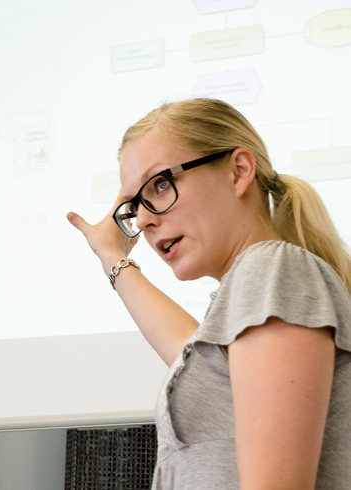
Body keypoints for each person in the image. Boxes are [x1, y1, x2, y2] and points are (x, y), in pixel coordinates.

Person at [67, 98, 351, 490]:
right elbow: (195, 358)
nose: (145, 219)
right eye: (134, 205)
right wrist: (112, 257)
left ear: (239, 171)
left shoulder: (273, 272)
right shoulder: (260, 284)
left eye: (161, 184)